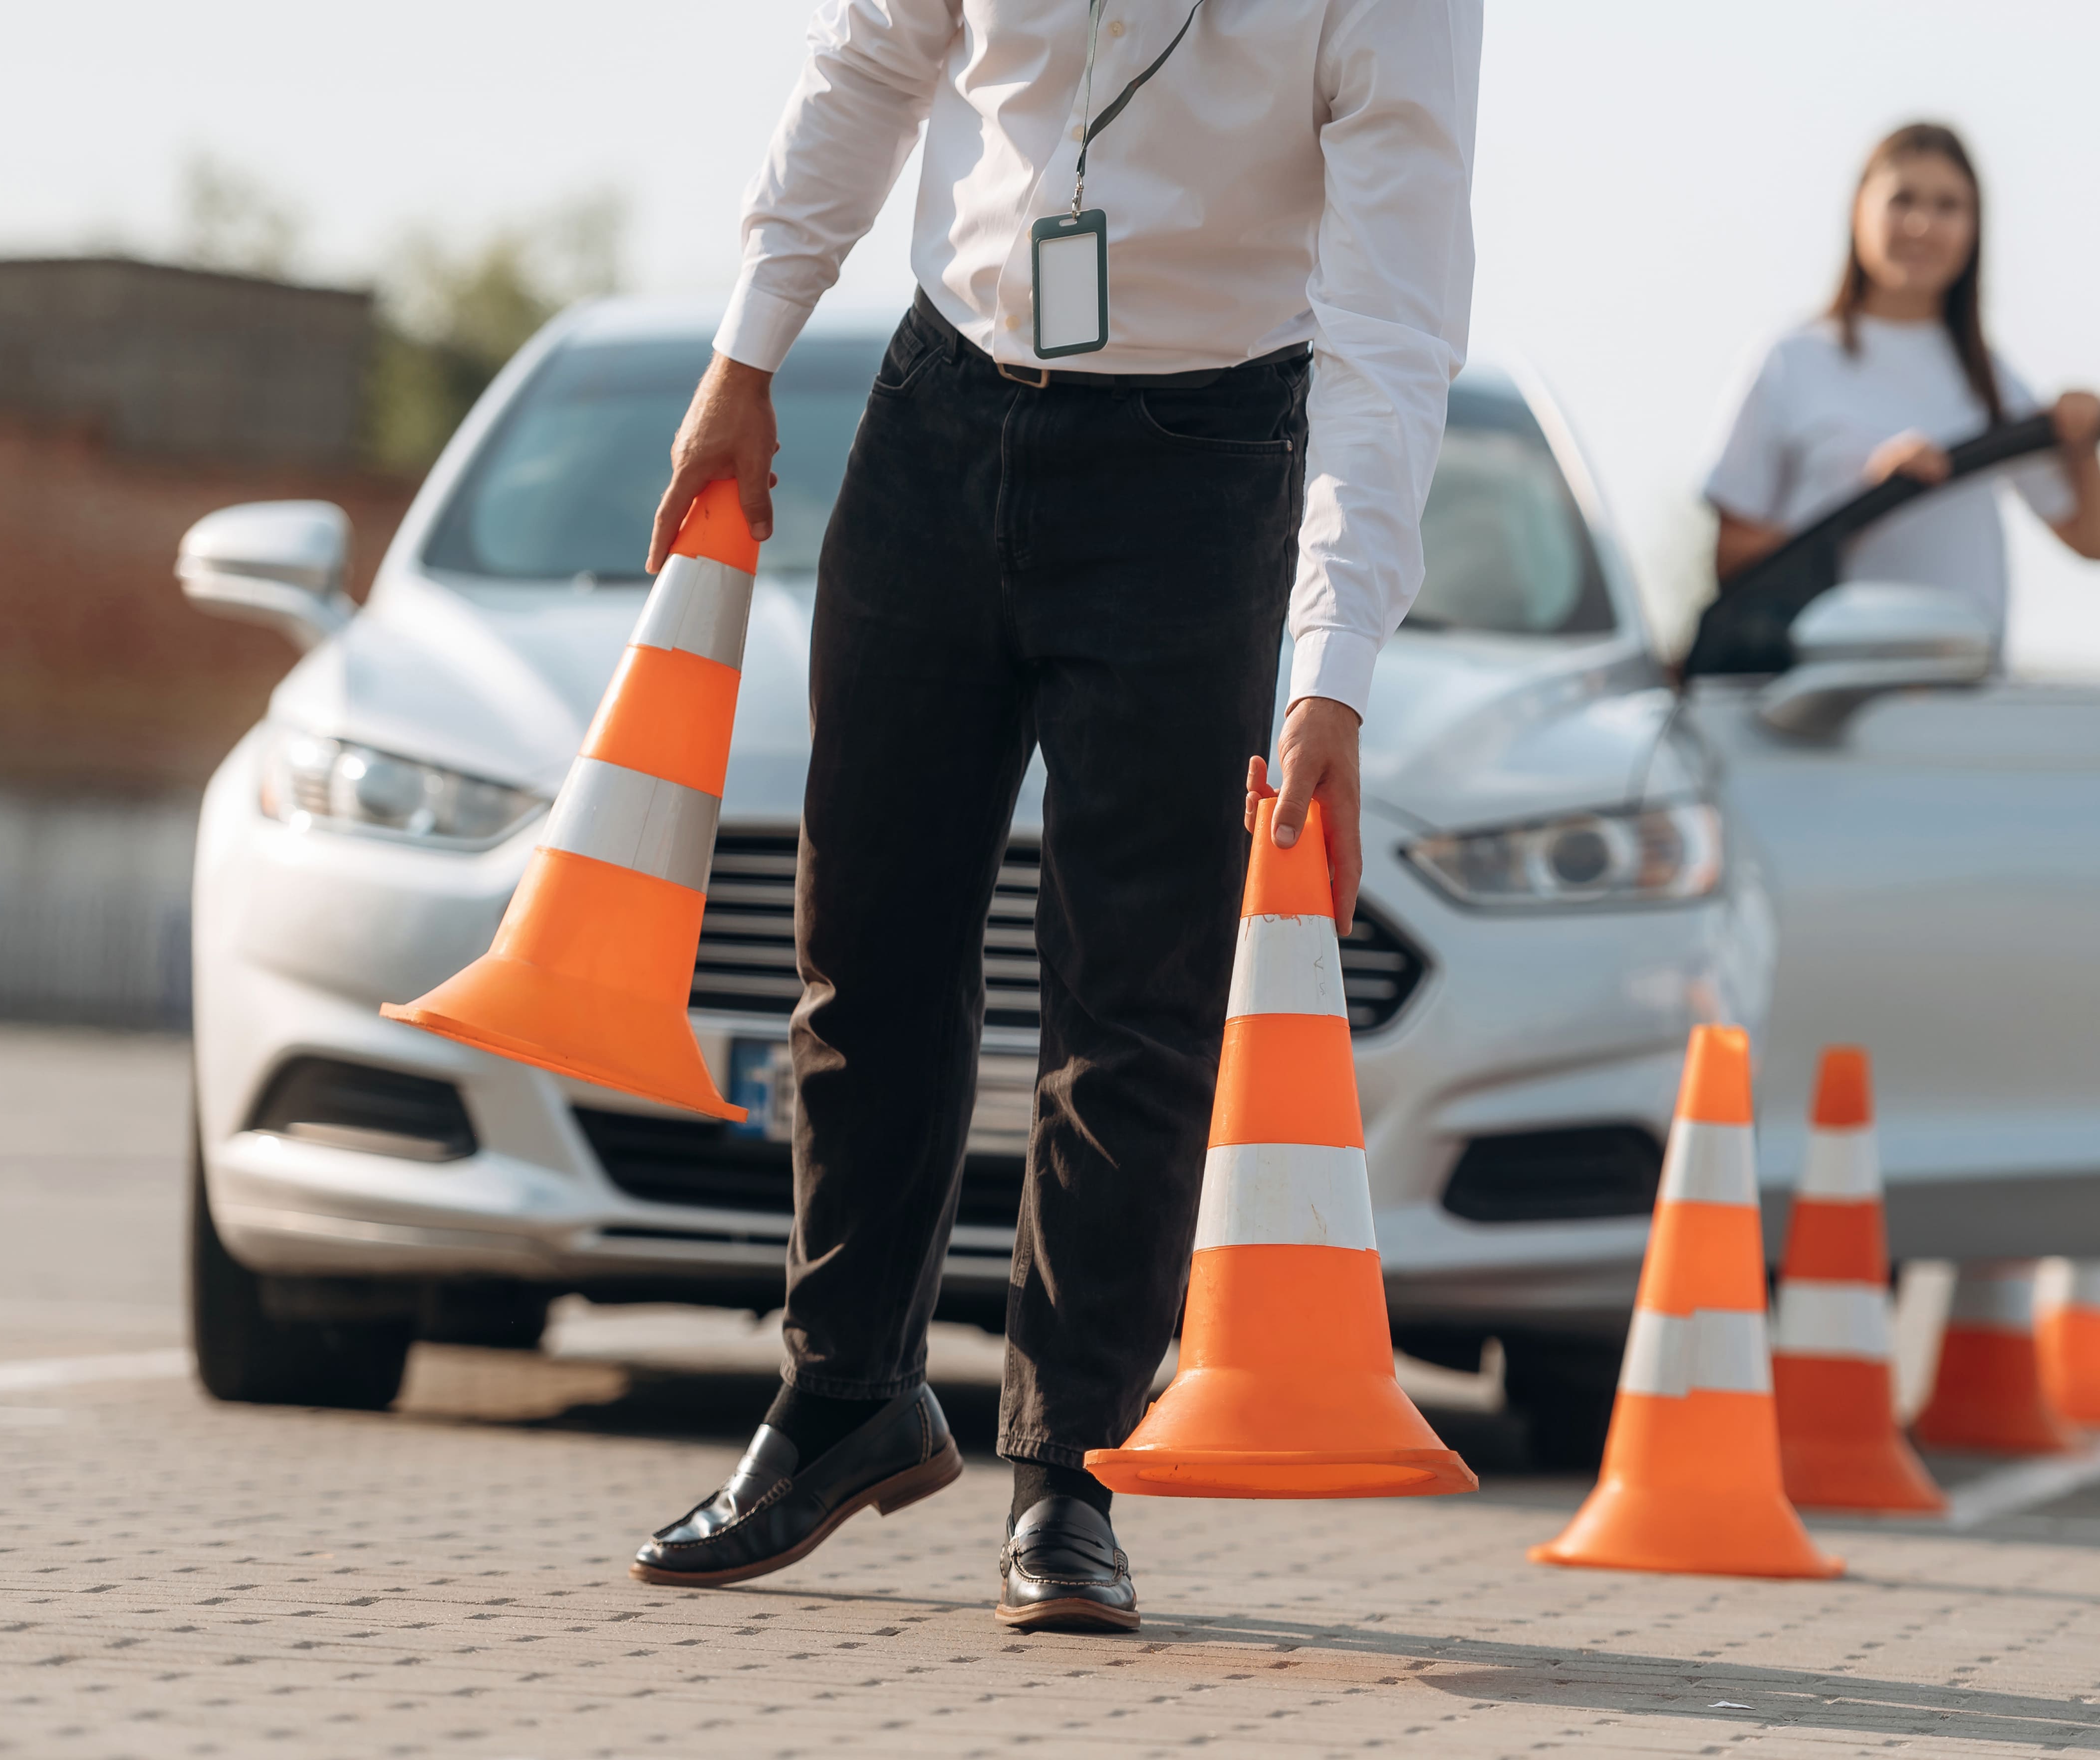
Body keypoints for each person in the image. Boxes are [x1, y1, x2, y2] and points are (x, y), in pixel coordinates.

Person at [624, 0, 1481, 1633]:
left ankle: (1068, 1471)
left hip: (1204, 454)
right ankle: (838, 1398)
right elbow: (871, 63)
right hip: (942, 406)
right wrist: (746, 353)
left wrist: (1331, 670)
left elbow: (1393, 315)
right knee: (860, 936)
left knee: (1130, 999)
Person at [1706, 121, 2100, 633]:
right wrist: (1868, 494)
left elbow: (2089, 540)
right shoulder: (1791, 361)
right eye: (1902, 200)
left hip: (1964, 694)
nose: (1922, 224)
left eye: (1947, 207)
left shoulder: (1990, 376)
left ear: (1974, 227)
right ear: (1858, 209)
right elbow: (1731, 560)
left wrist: (2082, 442)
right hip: (1823, 700)